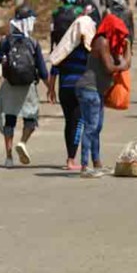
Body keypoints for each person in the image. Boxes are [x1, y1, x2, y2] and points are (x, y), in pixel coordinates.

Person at [0, 6, 49, 168]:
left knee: (10, 119)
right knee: (31, 118)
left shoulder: (5, 42)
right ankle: (22, 142)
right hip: (28, 87)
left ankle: (8, 157)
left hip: (10, 85)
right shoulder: (33, 43)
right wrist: (50, 88)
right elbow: (42, 70)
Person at [75, 15, 132, 178]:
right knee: (91, 127)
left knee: (97, 127)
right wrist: (121, 65)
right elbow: (110, 68)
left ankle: (97, 162)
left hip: (96, 91)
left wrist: (127, 47)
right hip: (89, 89)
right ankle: (85, 166)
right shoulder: (102, 42)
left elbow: (126, 64)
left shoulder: (110, 44)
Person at [48, 11, 96, 171]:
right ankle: (71, 159)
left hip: (64, 89)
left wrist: (51, 89)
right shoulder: (89, 48)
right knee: (78, 123)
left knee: (69, 122)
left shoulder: (66, 47)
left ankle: (70, 156)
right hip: (80, 91)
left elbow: (55, 65)